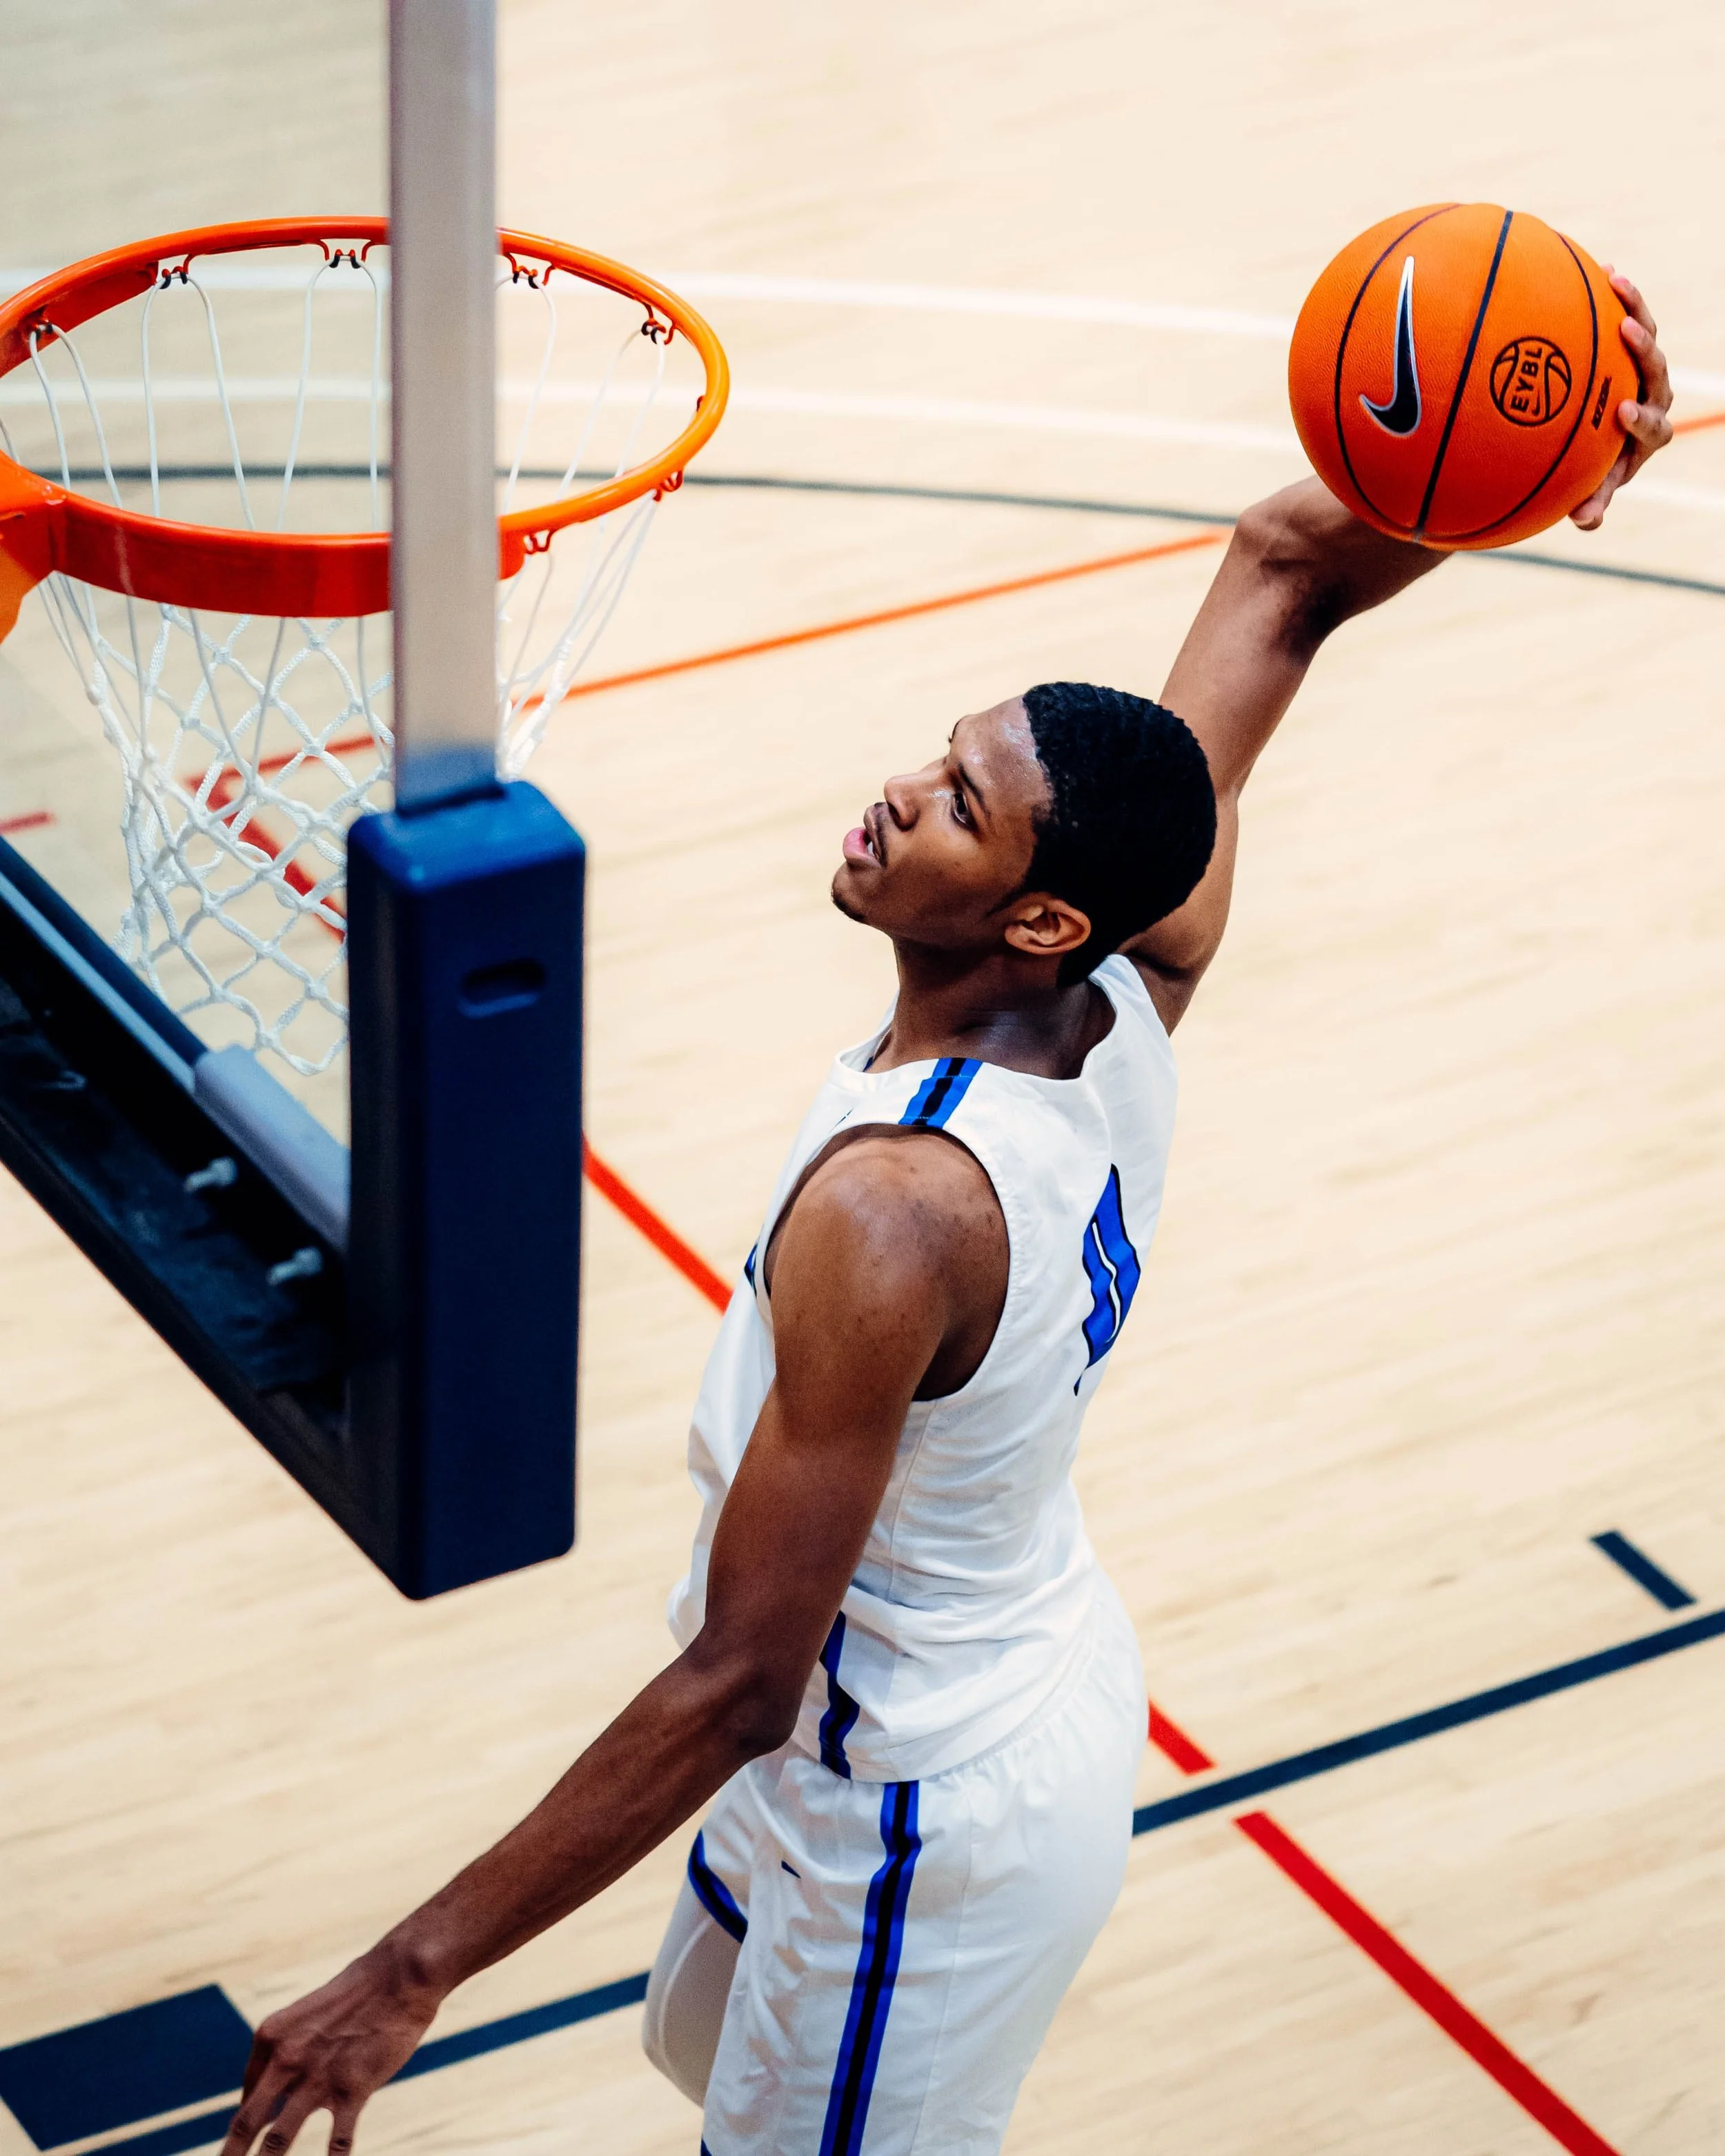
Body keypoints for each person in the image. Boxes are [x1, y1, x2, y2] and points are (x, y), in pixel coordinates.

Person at [217, 277, 1672, 2156]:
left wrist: (402, 1971)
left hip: (911, 1793)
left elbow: (739, 1675)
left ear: (1039, 917)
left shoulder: (898, 1215)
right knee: (704, 2061)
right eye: (937, 753)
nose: (897, 796)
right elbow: (1284, 568)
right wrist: (1530, 451)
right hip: (950, 1681)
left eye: (961, 805)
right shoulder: (1146, 964)